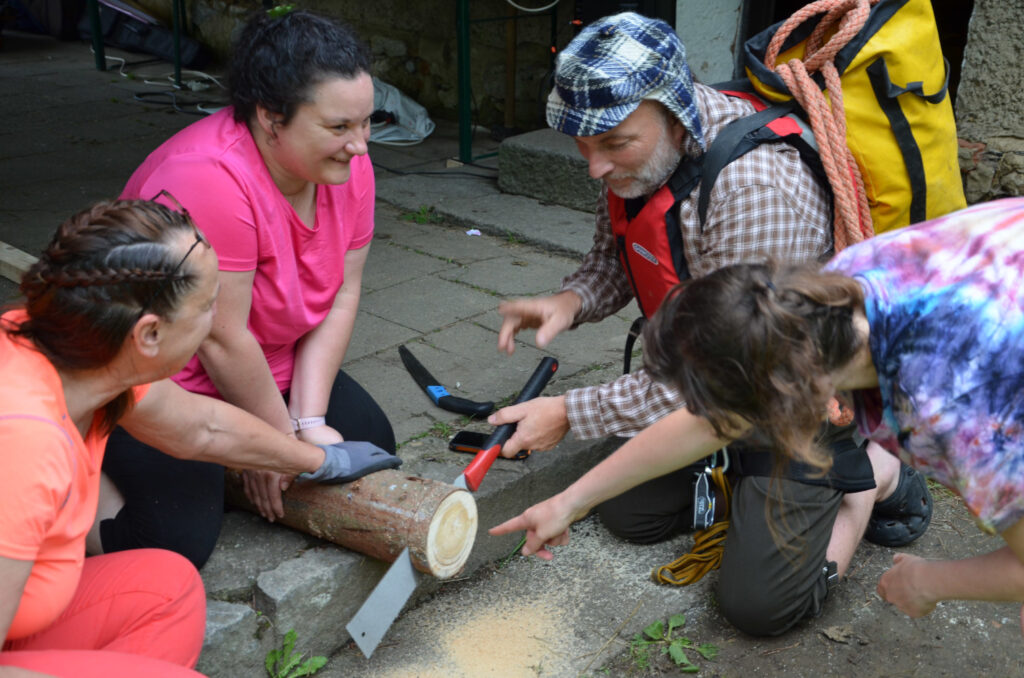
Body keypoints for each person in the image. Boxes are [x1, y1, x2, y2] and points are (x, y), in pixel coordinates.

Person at [489, 12, 930, 636]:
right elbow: (621, 254)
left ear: (674, 113)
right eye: (583, 146)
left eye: (613, 144)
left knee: (758, 605)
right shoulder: (635, 152)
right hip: (720, 378)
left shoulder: (756, 186)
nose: (595, 166)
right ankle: (742, 476)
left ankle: (875, 477)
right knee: (627, 513)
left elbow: (734, 380)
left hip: (794, 393)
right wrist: (572, 301)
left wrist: (569, 413)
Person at [493, 197, 1024, 632]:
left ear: (787, 404)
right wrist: (568, 502)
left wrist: (929, 582)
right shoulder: (832, 291)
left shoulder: (956, 414)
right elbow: (712, 422)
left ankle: (876, 479)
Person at [0, 199, 398, 676]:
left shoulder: (81, 353)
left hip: (24, 616)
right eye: (208, 306)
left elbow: (199, 427)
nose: (219, 320)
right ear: (149, 334)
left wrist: (314, 458)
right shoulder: (25, 443)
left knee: (164, 588)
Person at [100, 9, 397, 569]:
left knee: (372, 441)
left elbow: (342, 296)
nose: (360, 147)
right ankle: (71, 482)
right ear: (270, 117)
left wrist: (305, 425)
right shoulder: (209, 177)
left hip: (267, 359)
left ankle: (235, 469)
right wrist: (277, 443)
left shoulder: (350, 166)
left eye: (366, 123)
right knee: (170, 545)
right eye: (338, 128)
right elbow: (217, 337)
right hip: (169, 377)